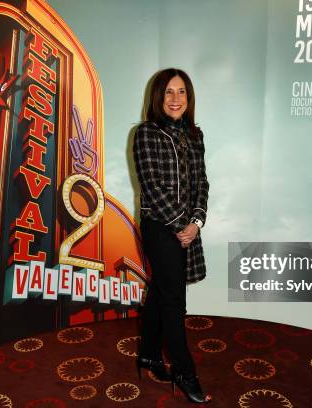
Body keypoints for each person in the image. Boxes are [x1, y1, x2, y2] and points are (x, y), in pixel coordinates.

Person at [133, 68, 211, 404]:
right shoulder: (145, 133)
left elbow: (202, 183)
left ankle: (149, 356)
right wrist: (182, 225)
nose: (176, 99)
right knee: (174, 301)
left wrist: (197, 221)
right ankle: (184, 371)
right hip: (159, 226)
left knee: (161, 292)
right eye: (168, 92)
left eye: (181, 92)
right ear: (157, 97)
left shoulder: (195, 135)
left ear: (189, 98)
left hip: (186, 228)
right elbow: (151, 185)